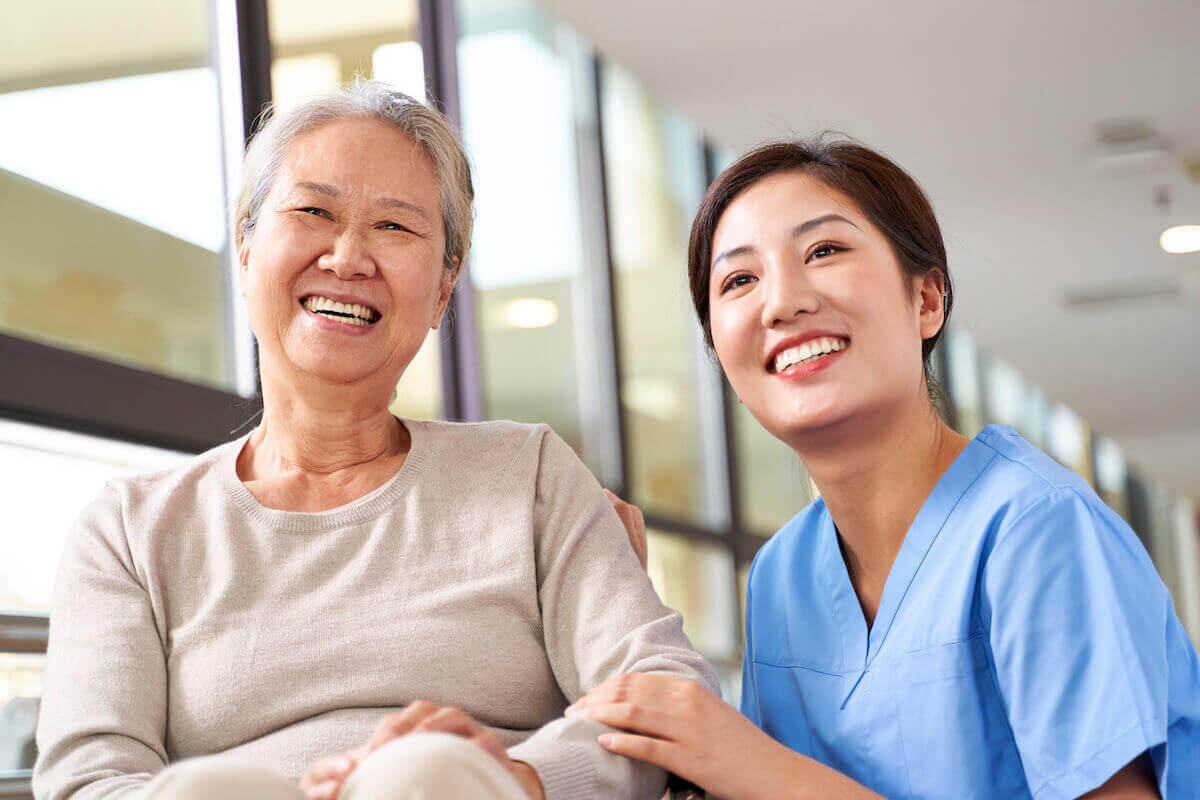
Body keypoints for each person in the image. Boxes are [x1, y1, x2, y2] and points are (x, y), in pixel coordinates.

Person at [33, 82, 717, 800]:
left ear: (443, 289)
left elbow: (663, 689)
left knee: (426, 770)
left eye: (395, 227)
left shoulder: (530, 475)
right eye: (313, 211)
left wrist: (518, 775)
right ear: (244, 249)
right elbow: (89, 782)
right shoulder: (131, 530)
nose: (349, 256)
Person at [568, 138, 1200, 799]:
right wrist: (608, 607)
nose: (782, 303)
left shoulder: (1037, 528)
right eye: (739, 281)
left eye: (824, 251)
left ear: (927, 300)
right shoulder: (782, 577)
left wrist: (768, 771)